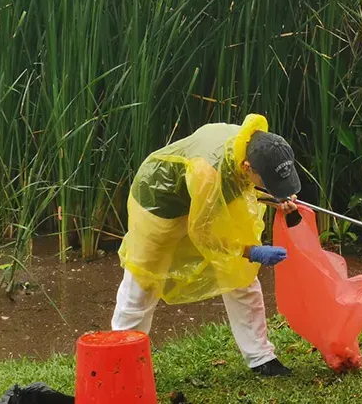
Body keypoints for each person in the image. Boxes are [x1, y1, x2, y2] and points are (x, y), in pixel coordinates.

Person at [111, 114, 304, 376]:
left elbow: (241, 188)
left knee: (241, 277)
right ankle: (122, 362)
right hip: (160, 204)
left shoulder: (254, 144)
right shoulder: (208, 173)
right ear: (248, 167)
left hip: (203, 195)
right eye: (268, 180)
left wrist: (276, 196)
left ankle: (261, 358)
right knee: (143, 282)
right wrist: (250, 251)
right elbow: (205, 235)